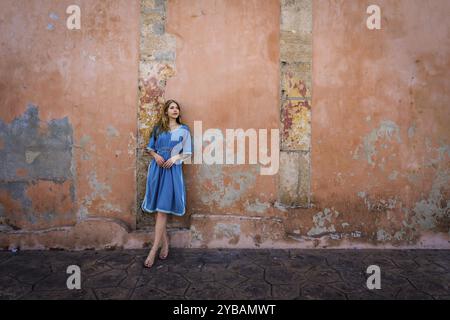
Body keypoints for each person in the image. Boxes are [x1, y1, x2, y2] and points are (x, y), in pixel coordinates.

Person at [141, 99, 192, 268]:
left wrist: (175, 157)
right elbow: (150, 148)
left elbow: (188, 153)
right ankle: (165, 243)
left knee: (162, 210)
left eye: (177, 107)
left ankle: (153, 251)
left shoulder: (184, 130)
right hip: (157, 170)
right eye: (172, 107)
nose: (175, 110)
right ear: (166, 111)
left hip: (172, 171)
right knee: (158, 210)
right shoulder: (158, 129)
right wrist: (156, 156)